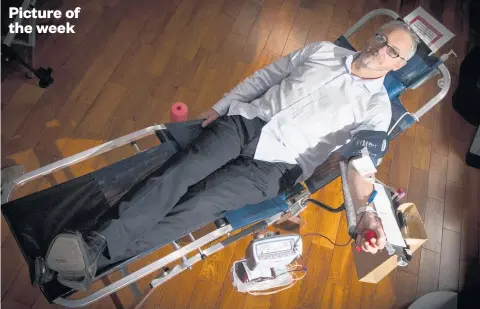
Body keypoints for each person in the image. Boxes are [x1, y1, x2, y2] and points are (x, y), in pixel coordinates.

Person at [44, 20, 418, 289]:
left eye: (393, 50)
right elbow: (266, 78)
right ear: (373, 34)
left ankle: (96, 253)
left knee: (197, 204)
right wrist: (222, 107)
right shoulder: (322, 51)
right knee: (179, 172)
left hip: (277, 167)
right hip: (243, 124)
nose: (381, 48)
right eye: (381, 37)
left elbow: (360, 165)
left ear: (399, 64)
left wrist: (366, 213)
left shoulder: (376, 109)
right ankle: (93, 246)